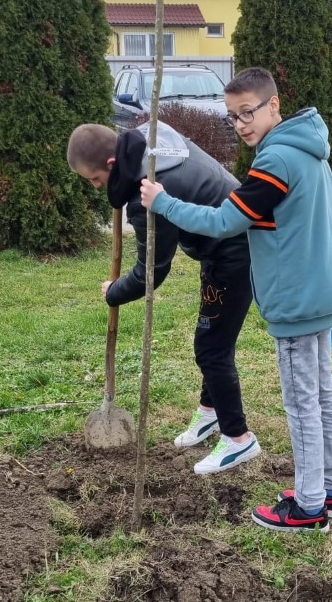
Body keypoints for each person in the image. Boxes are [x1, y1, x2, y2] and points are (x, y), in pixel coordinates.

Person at [139, 67, 332, 532]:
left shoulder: (275, 162)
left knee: (303, 404)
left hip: (297, 301)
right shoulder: (308, 149)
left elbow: (223, 222)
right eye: (232, 117)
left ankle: (310, 507)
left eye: (247, 112)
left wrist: (162, 202)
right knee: (321, 395)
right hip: (324, 291)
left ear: (274, 105)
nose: (240, 124)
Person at [67, 120, 262, 475]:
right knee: (212, 338)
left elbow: (151, 272)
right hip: (224, 242)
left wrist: (114, 292)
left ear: (111, 163)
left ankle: (238, 438)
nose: (95, 187)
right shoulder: (150, 138)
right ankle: (210, 412)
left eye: (95, 179)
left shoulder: (148, 193)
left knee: (211, 348)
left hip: (238, 248)